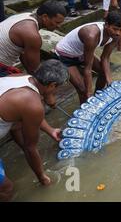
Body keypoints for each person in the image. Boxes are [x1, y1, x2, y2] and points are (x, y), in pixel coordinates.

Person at [0, 59, 69, 193]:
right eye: (57, 87)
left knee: (17, 124)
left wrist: (50, 130)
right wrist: (42, 177)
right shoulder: (32, 104)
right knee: (6, 189)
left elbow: (27, 114)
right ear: (52, 85)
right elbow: (30, 147)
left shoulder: (20, 77)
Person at [55, 11, 121, 104]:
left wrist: (109, 81)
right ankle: (85, 109)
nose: (118, 33)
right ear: (106, 24)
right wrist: (88, 92)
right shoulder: (91, 35)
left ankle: (97, 98)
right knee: (83, 90)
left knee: (104, 73)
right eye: (115, 29)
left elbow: (105, 58)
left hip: (81, 53)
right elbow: (87, 69)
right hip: (65, 56)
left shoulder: (117, 35)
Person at [0, 0, 66, 77]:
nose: (59, 26)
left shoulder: (26, 16)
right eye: (57, 22)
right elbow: (34, 69)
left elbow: (24, 55)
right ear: (45, 17)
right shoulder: (32, 35)